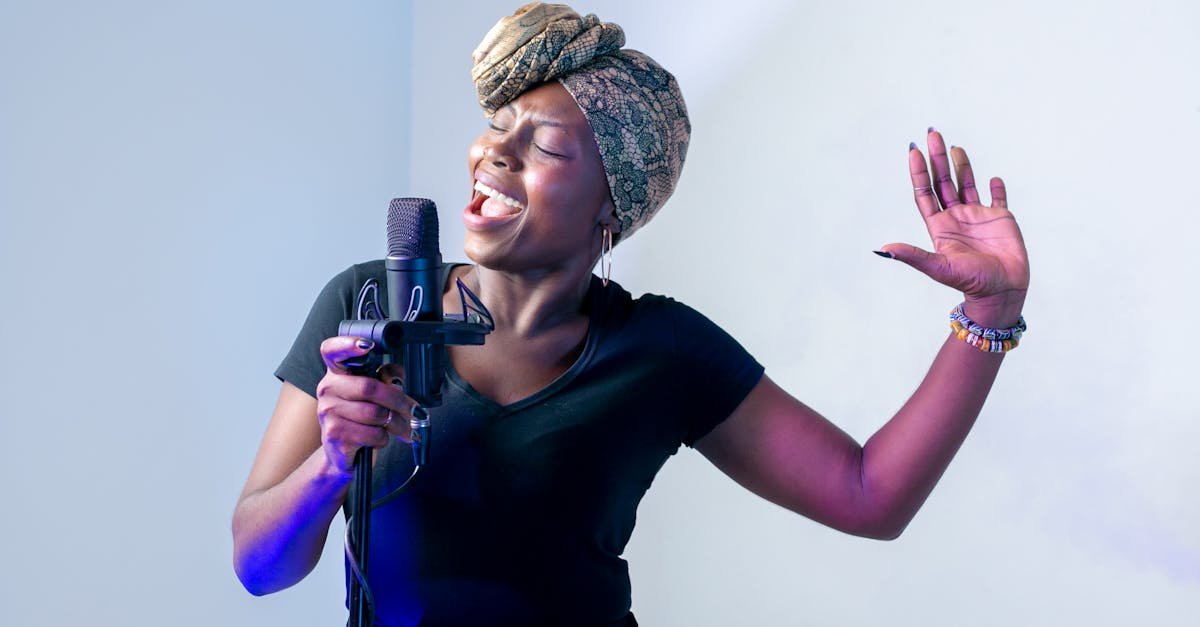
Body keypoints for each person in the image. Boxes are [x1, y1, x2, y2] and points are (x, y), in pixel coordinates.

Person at [231, 3, 1030, 626]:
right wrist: (330, 466)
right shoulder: (366, 308)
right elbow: (258, 567)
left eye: (546, 146)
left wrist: (990, 311)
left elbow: (868, 493)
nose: (495, 152)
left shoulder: (661, 350)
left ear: (610, 209)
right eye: (499, 127)